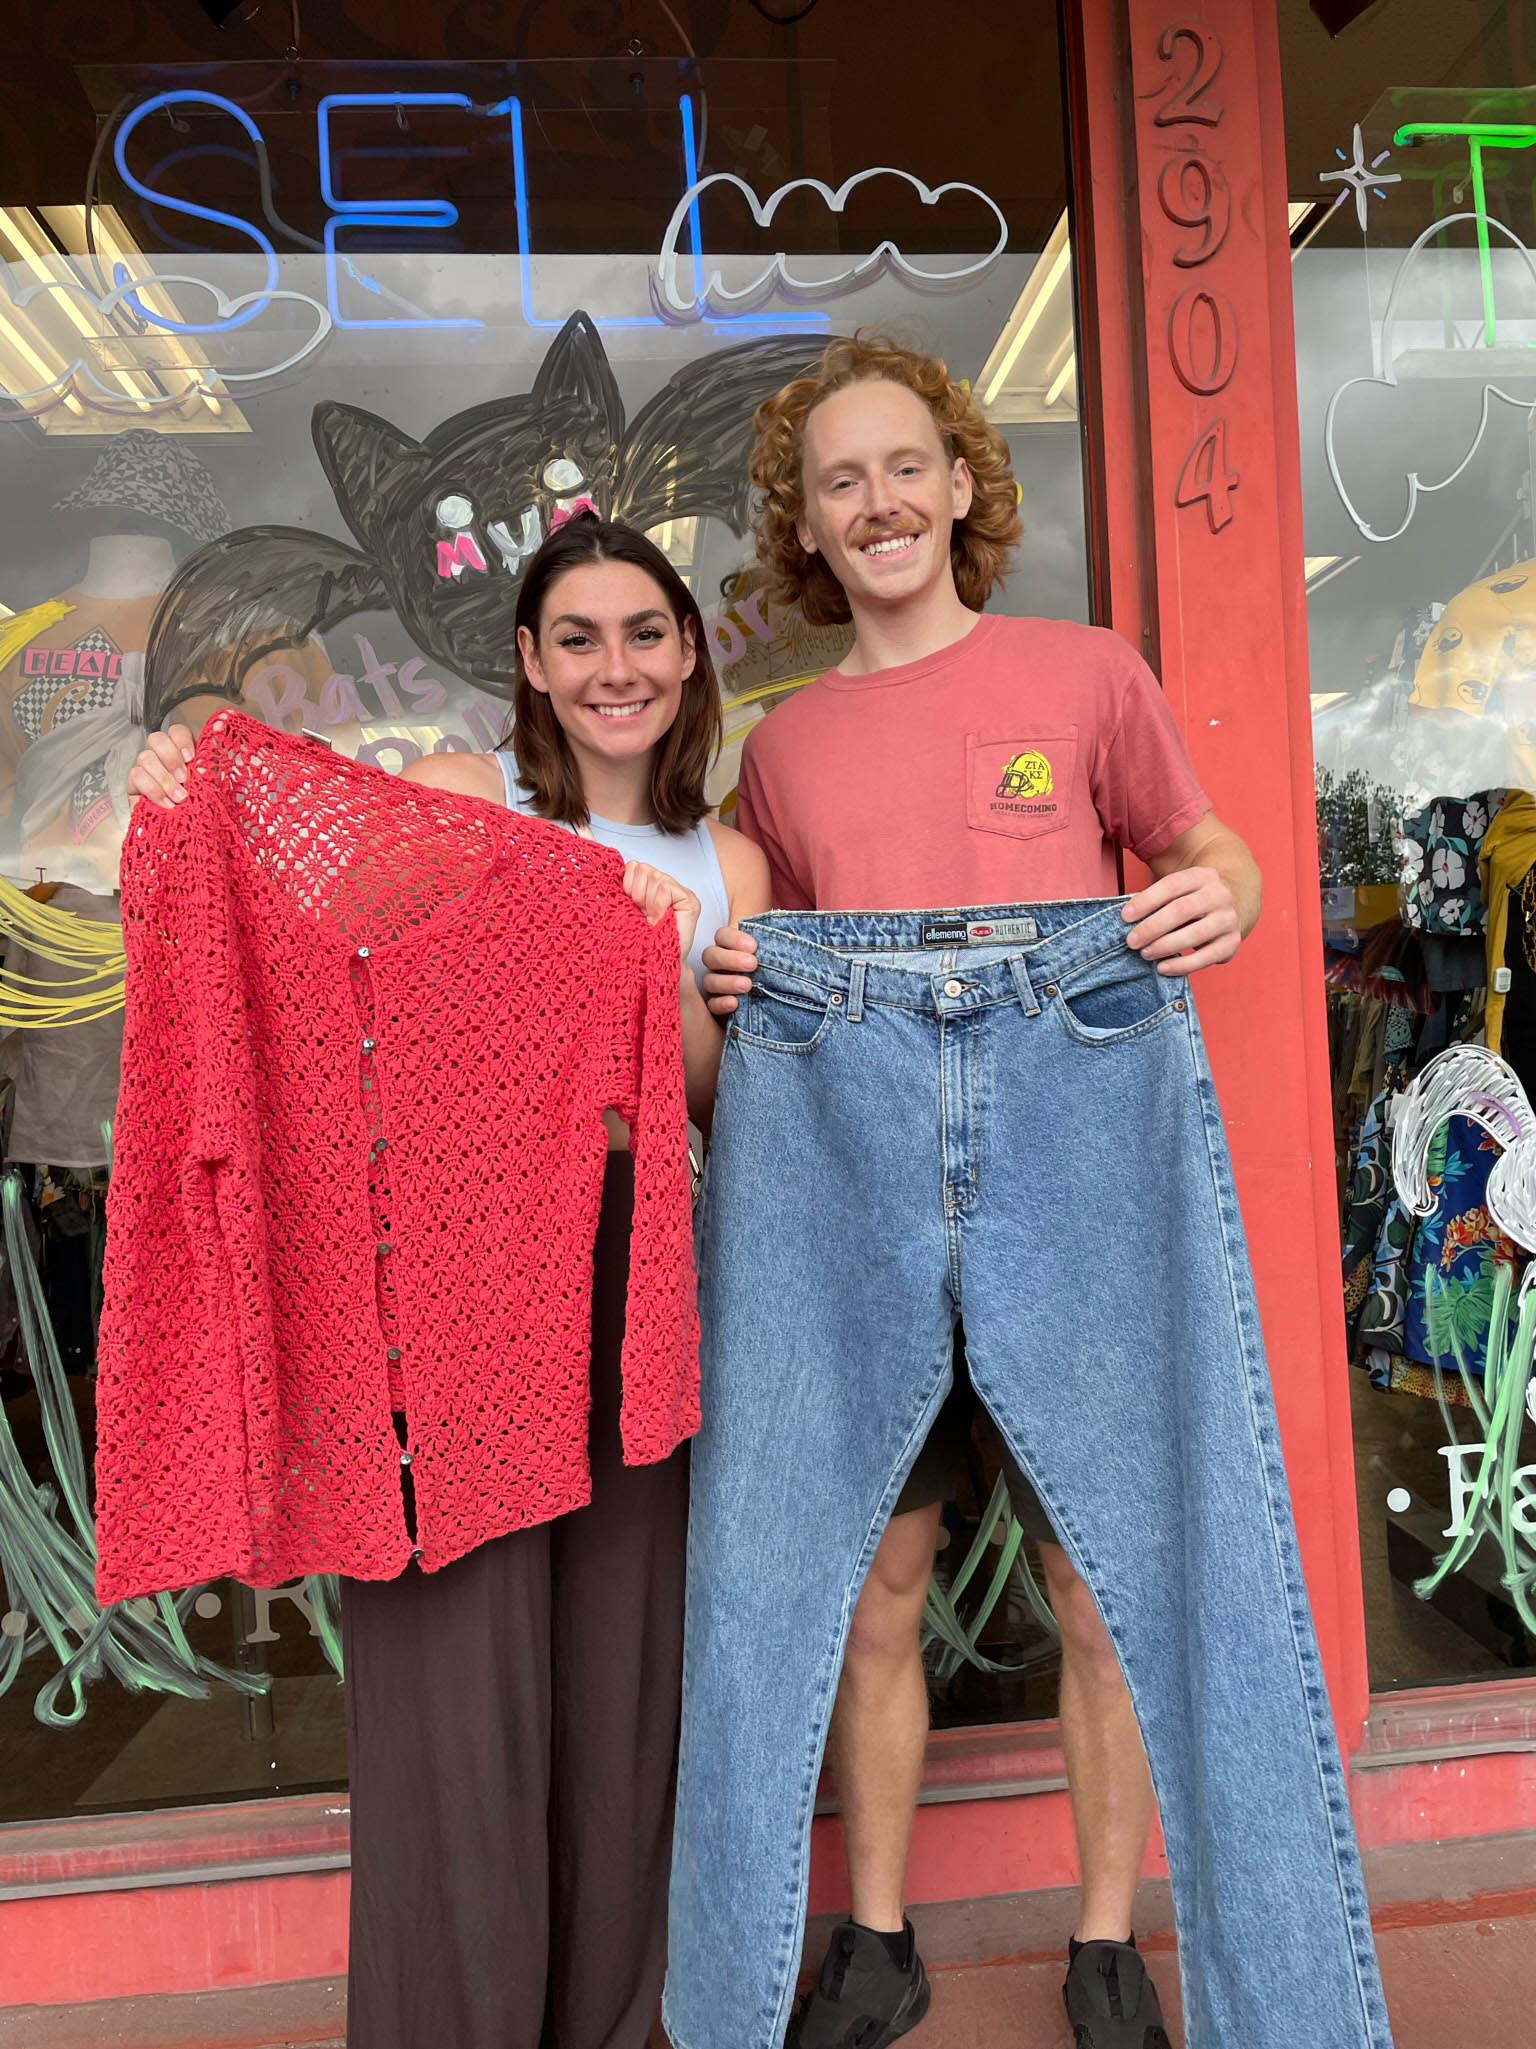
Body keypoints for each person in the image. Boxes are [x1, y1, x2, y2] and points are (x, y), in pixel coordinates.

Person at [127, 512, 769, 2049]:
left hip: (638, 1276)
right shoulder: (460, 798)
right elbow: (313, 944)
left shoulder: (732, 855)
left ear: (689, 654)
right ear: (531, 668)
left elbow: (712, 1100)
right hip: (457, 1295)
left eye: (645, 633)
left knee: (624, 1694)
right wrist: (185, 787)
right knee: (458, 1709)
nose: (616, 667)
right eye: (579, 639)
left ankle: (617, 2024)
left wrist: (658, 965)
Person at [697, 336, 1260, 2049]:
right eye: (837, 481)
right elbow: (727, 944)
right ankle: (877, 1934)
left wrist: (1218, 897)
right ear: (809, 526)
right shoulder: (782, 750)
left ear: (959, 485)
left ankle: (1105, 1942)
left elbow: (1206, 850)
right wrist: (733, 985)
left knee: (1095, 1575)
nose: (875, 502)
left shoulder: (1087, 678)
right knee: (874, 1578)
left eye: (901, 467)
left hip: (1068, 1184)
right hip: (860, 1198)